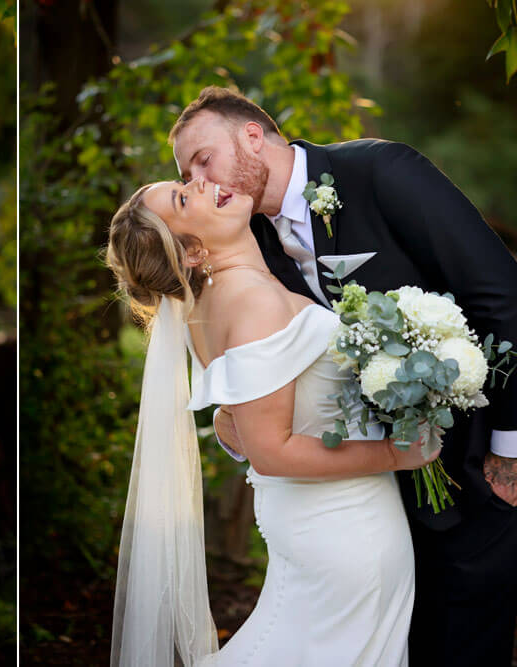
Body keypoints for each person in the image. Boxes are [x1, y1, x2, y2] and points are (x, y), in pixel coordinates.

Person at [169, 86, 517, 666]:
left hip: (474, 468)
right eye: (186, 175)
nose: (201, 180)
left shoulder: (381, 172)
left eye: (202, 159)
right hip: (365, 491)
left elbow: (502, 298)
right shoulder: (245, 240)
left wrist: (509, 449)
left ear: (252, 134)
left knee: (465, 643)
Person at [106, 177, 439, 666]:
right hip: (340, 521)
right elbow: (271, 450)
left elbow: (241, 417)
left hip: (318, 517)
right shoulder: (252, 301)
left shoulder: (218, 304)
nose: (198, 182)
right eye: (183, 198)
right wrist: (395, 453)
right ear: (193, 253)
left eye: (181, 183)